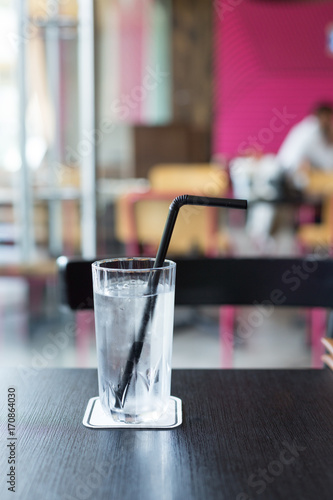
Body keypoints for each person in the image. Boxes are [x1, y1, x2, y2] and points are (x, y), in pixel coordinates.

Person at [277, 103, 333, 189]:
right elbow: (326, 163)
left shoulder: (308, 127)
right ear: (324, 116)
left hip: (290, 171)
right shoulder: (311, 130)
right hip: (289, 174)